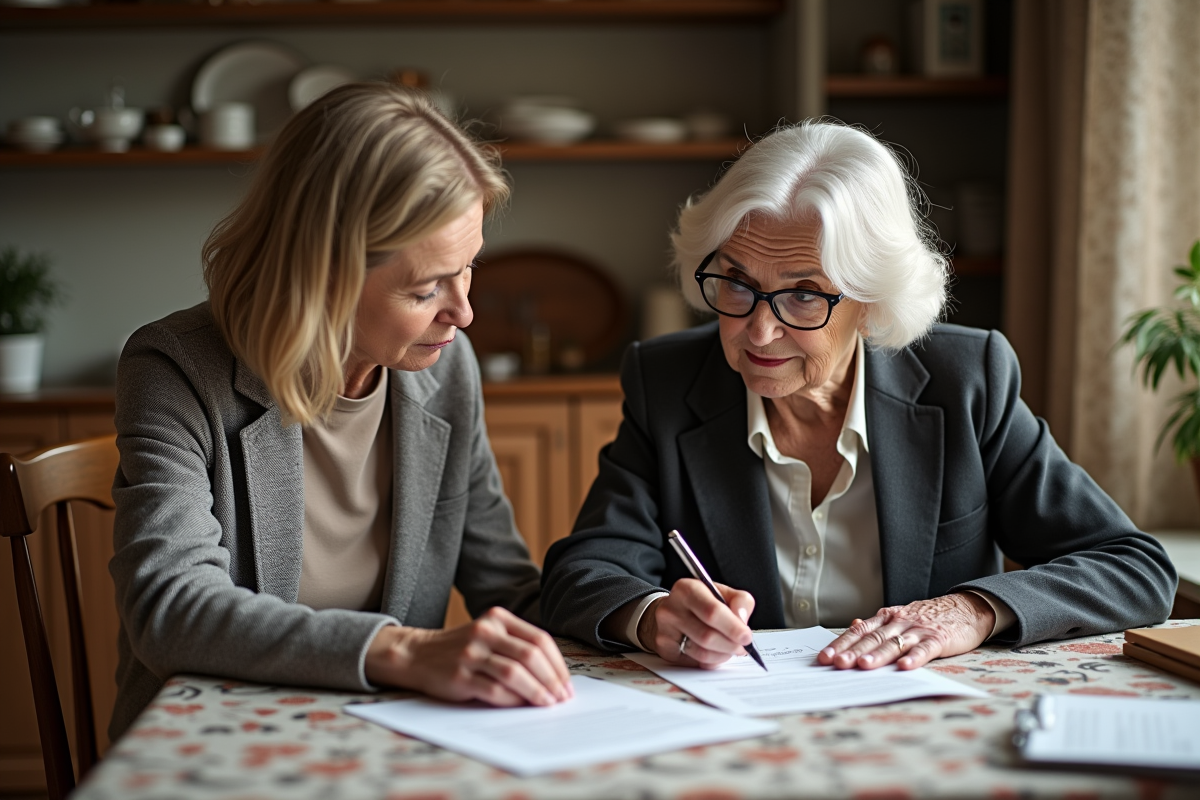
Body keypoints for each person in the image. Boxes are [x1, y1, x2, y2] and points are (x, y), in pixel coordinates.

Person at [540, 120, 1177, 672]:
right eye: (736, 284)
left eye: (804, 294)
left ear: (872, 304)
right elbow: (580, 575)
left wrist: (971, 609)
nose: (758, 330)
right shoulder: (670, 381)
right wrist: (652, 615)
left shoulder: (966, 380)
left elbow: (1134, 567)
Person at [109, 83, 571, 740]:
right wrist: (405, 651)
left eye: (468, 269)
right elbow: (172, 609)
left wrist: (637, 611)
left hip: (387, 738)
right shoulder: (176, 370)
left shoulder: (447, 371)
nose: (463, 313)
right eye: (424, 288)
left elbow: (509, 584)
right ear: (320, 276)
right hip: (222, 743)